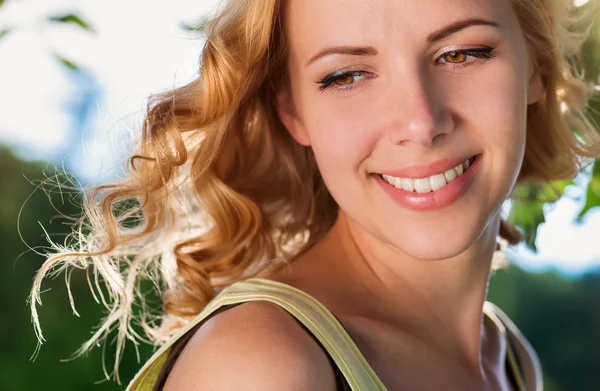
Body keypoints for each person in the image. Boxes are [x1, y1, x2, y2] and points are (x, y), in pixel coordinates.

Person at [30, 0, 600, 389]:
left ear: (536, 63)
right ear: (293, 111)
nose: (421, 123)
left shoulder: (508, 357)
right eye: (347, 75)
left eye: (462, 53)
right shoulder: (265, 366)